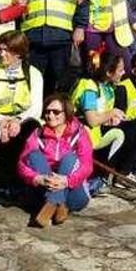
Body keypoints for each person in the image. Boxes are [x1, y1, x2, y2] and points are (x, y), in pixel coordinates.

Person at [0, 30, 43, 199]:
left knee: (33, 126)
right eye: (1, 49)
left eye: (6, 50)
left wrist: (18, 121)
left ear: (19, 53)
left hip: (22, 120)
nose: (1, 53)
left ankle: (25, 178)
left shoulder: (33, 74)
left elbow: (36, 108)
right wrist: (1, 121)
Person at [17, 94, 93, 227]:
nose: (50, 115)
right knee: (34, 155)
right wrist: (38, 178)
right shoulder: (38, 134)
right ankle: (58, 205)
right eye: (47, 111)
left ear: (66, 113)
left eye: (56, 112)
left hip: (74, 193)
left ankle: (53, 203)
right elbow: (21, 164)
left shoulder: (79, 133)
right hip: (44, 189)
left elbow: (87, 165)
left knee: (69, 159)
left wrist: (66, 181)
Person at [71, 51, 136, 181]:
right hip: (85, 135)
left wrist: (113, 118)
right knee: (122, 133)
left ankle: (122, 173)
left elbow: (103, 113)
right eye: (120, 70)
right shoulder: (90, 88)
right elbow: (92, 120)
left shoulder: (108, 87)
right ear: (109, 72)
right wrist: (112, 113)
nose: (123, 73)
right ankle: (101, 176)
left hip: (98, 130)